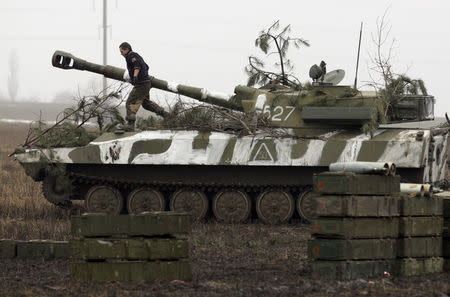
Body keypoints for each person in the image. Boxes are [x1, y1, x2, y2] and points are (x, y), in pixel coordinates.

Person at [118, 42, 168, 131]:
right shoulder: (137, 55)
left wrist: (136, 76)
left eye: (121, 51)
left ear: (126, 49)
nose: (120, 53)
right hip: (146, 83)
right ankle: (166, 115)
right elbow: (146, 66)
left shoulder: (131, 56)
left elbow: (137, 66)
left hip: (141, 84)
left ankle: (130, 124)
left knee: (130, 102)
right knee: (146, 104)